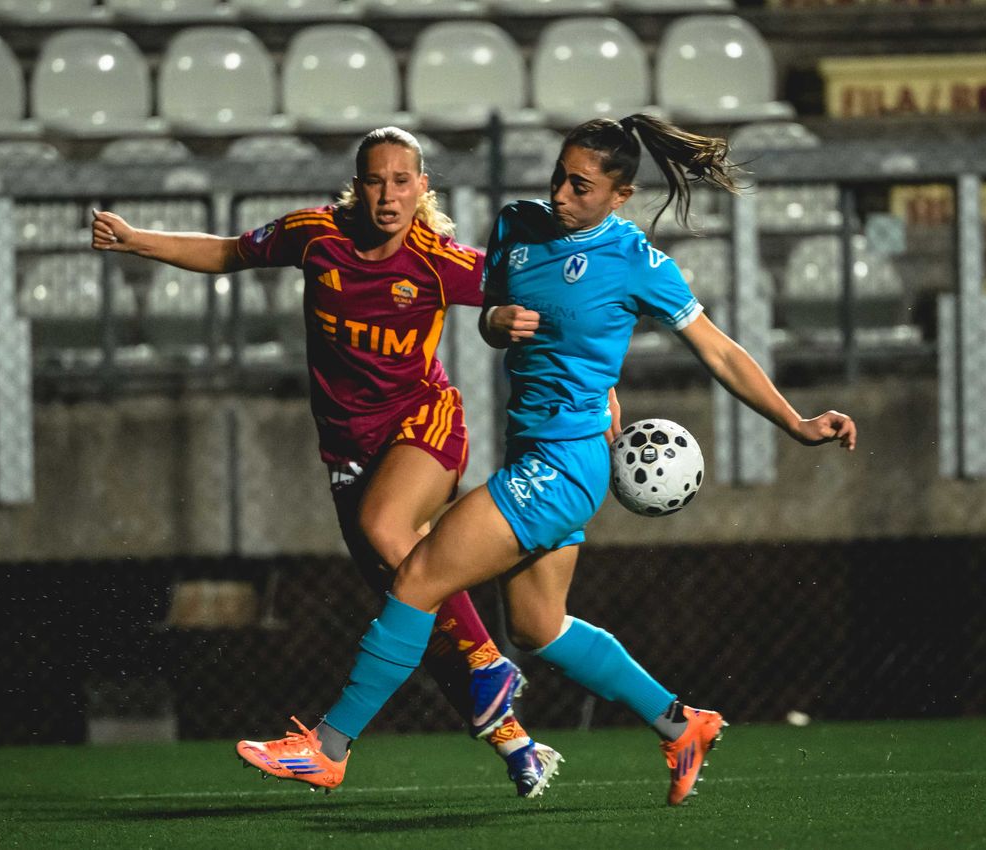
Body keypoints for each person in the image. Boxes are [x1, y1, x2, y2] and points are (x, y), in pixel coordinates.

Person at [237, 114, 857, 806]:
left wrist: (796, 422)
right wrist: (493, 324)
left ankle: (327, 748)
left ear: (619, 196)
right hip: (534, 451)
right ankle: (679, 723)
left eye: (581, 186)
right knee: (537, 627)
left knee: (417, 576)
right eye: (559, 176)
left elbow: (717, 350)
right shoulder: (517, 226)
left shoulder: (635, 260)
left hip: (564, 468)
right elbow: (494, 310)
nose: (561, 194)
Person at [91, 127, 561, 797]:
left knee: (388, 532)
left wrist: (588, 381)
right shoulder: (314, 236)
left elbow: (538, 295)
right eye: (376, 179)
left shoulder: (438, 258)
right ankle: (519, 749)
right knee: (413, 610)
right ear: (356, 184)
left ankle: (481, 670)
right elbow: (228, 253)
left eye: (403, 180)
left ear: (422, 188)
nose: (389, 193)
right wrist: (136, 239)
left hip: (424, 426)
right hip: (349, 457)